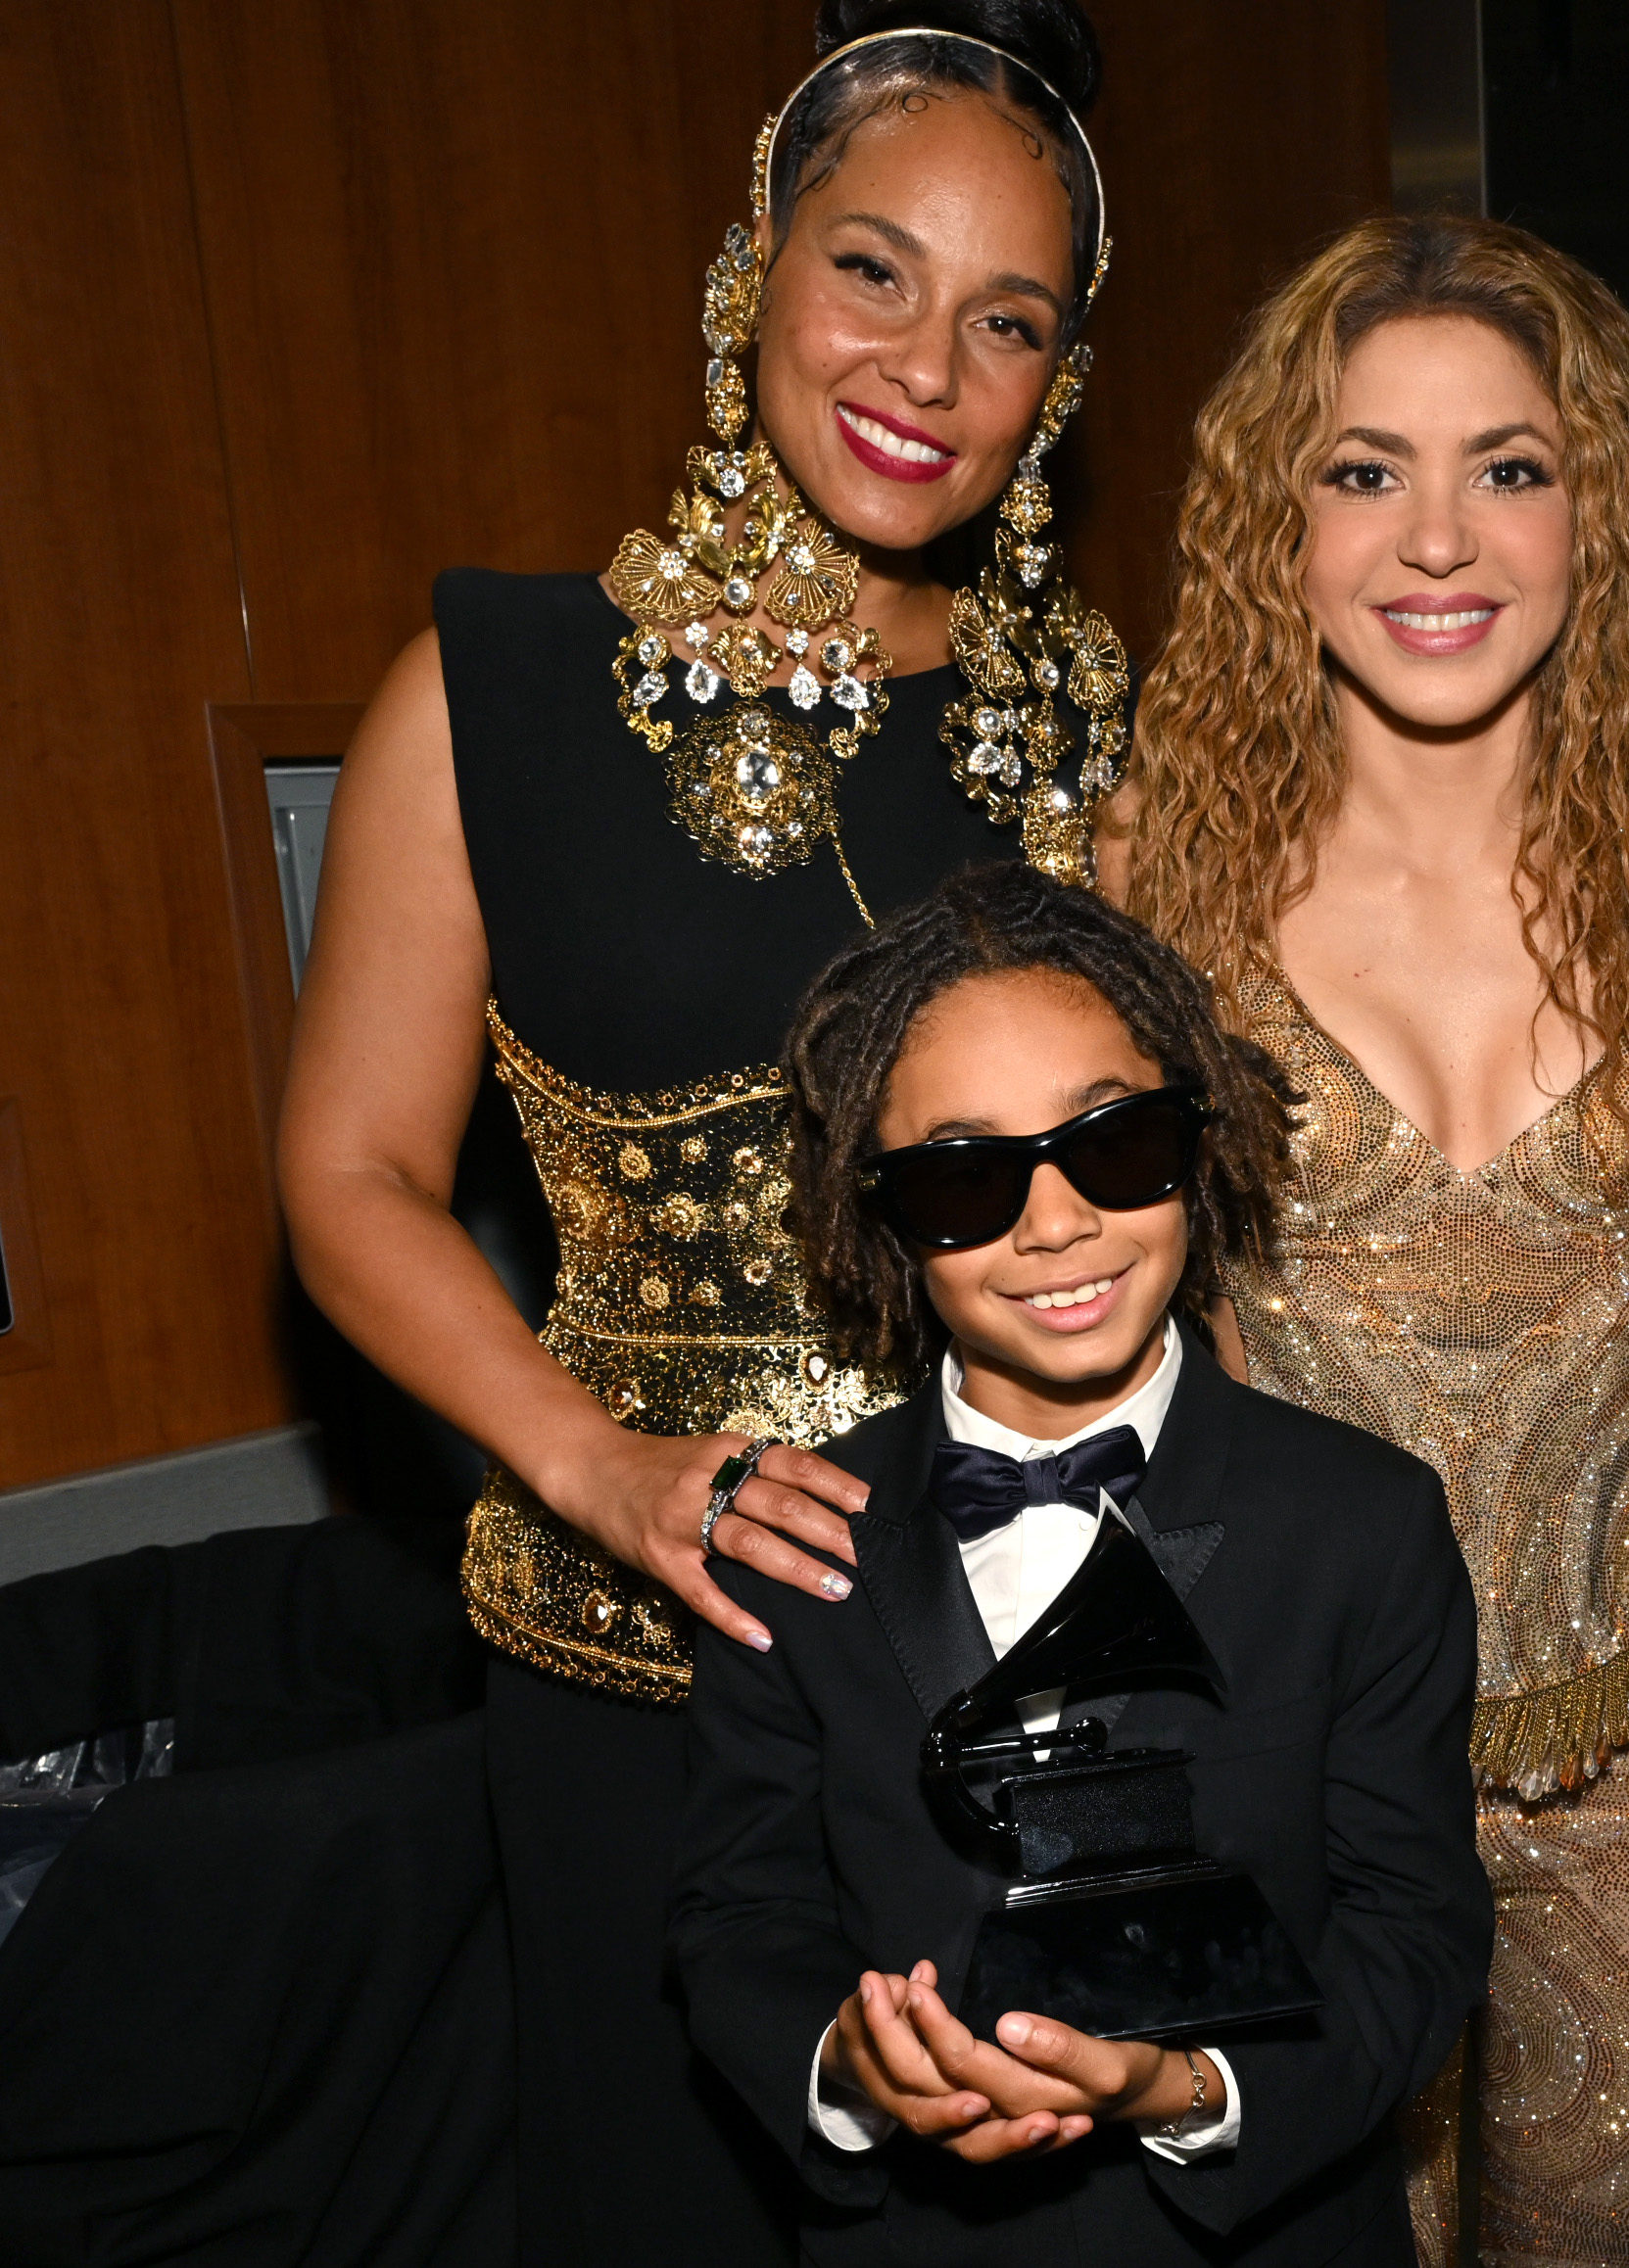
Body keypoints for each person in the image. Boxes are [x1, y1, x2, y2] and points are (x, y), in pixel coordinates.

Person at [271, 5, 1134, 2255]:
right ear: (753, 262)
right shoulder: (492, 689)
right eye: (873, 270)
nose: (927, 364)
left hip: (1028, 1653)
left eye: (1006, 319)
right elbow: (349, 1172)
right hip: (627, 1676)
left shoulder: (1102, 737)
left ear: (1059, 383)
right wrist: (595, 1461)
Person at [1104, 215, 1629, 2268]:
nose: (1440, 542)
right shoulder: (1151, 882)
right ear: (1277, 531)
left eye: (1511, 466)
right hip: (1298, 1749)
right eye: (1363, 469)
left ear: (1600, 519)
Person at [673, 861, 1487, 2266]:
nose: (1053, 1223)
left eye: (1111, 1146)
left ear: (1196, 1139)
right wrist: (856, 2071)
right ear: (884, 1218)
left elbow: (1414, 1929)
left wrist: (1187, 2089)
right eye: (964, 1178)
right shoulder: (793, 1533)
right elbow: (739, 1916)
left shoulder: (1362, 1521)